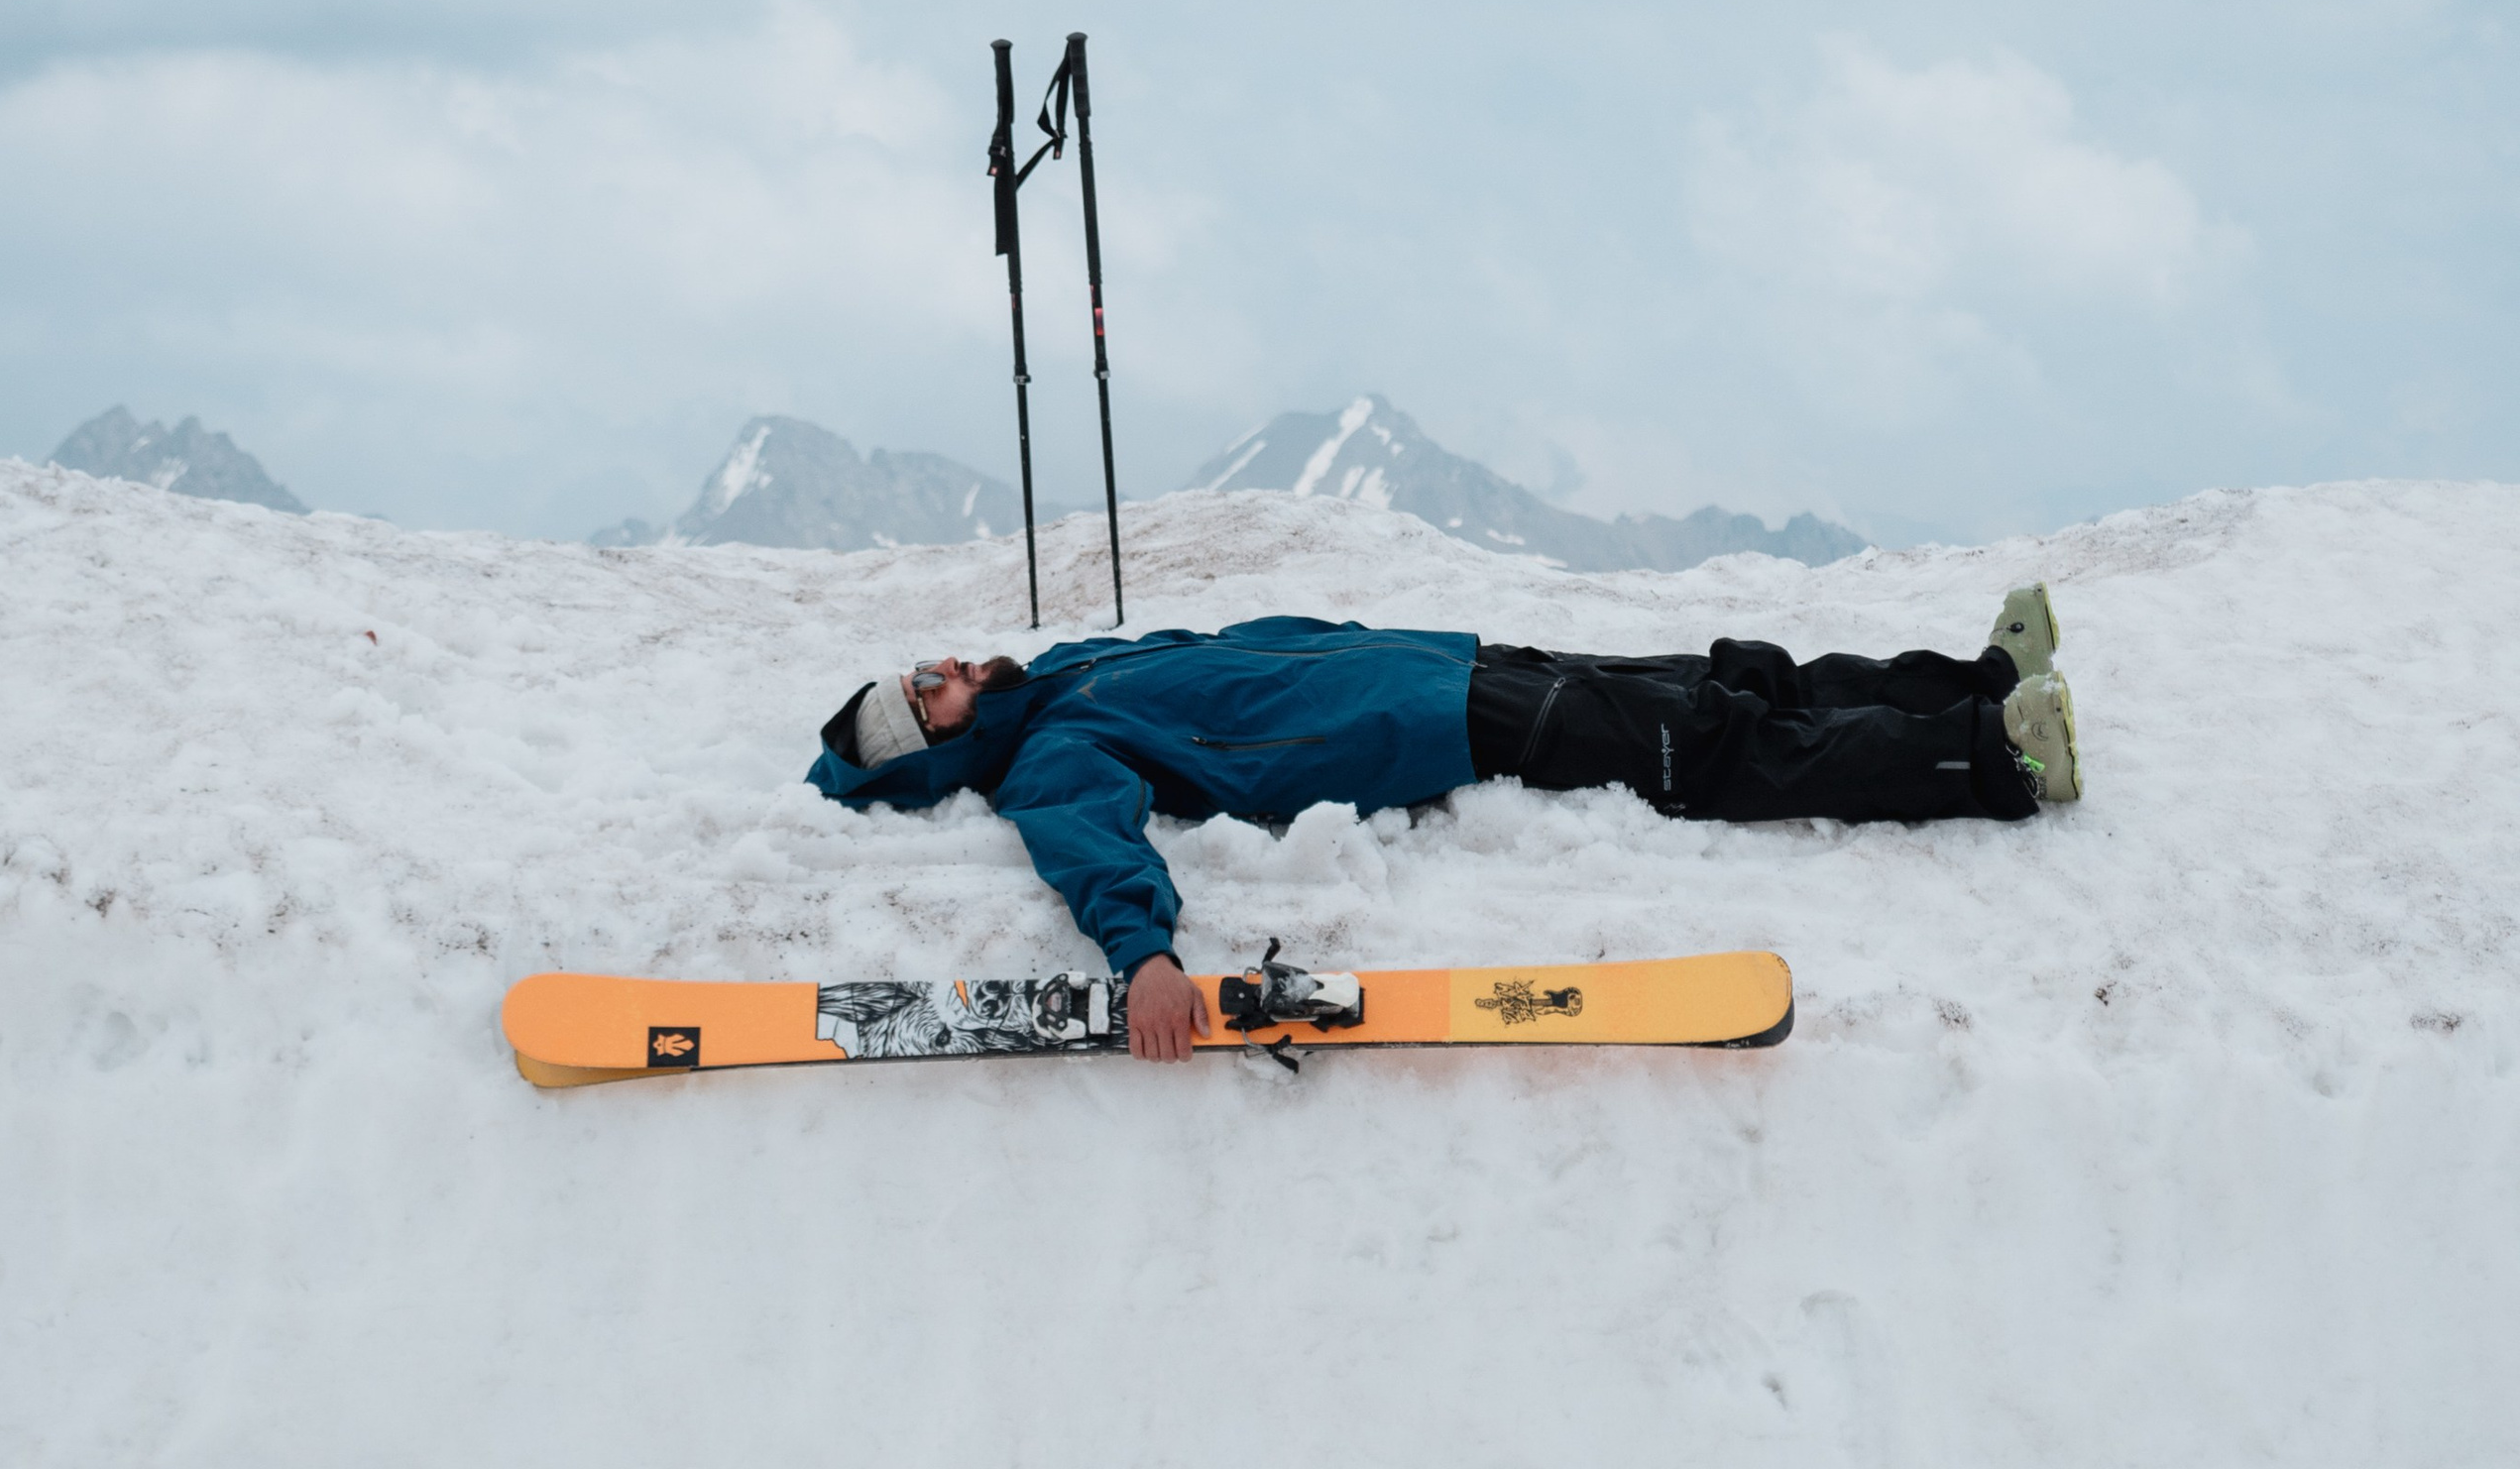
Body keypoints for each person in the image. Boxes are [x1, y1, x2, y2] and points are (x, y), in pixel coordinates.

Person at [808, 587, 2080, 1063]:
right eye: (929, 687)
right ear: (941, 739)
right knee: (1721, 754)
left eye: (928, 664)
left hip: (1437, 659)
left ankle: (1964, 687)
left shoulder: (1062, 673)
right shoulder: (1052, 755)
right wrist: (1143, 959)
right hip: (1431, 729)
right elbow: (1092, 845)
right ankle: (1995, 761)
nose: (950, 666)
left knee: (1718, 681)